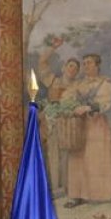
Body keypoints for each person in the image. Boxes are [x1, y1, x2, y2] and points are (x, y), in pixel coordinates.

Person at [62, 53, 111, 207]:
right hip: (79, 125)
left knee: (97, 158)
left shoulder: (105, 83)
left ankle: (100, 194)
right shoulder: (79, 83)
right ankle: (76, 195)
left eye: (89, 63)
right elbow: (67, 96)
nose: (86, 66)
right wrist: (71, 106)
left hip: (97, 124)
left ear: (97, 65)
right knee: (77, 158)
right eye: (85, 63)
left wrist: (88, 107)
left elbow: (106, 103)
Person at [36, 40, 79, 197]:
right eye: (70, 66)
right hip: (51, 121)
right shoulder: (53, 80)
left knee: (66, 155)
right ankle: (52, 187)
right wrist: (53, 47)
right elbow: (42, 62)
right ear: (63, 68)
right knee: (51, 153)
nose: (72, 70)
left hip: (68, 123)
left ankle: (66, 187)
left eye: (75, 68)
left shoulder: (78, 86)